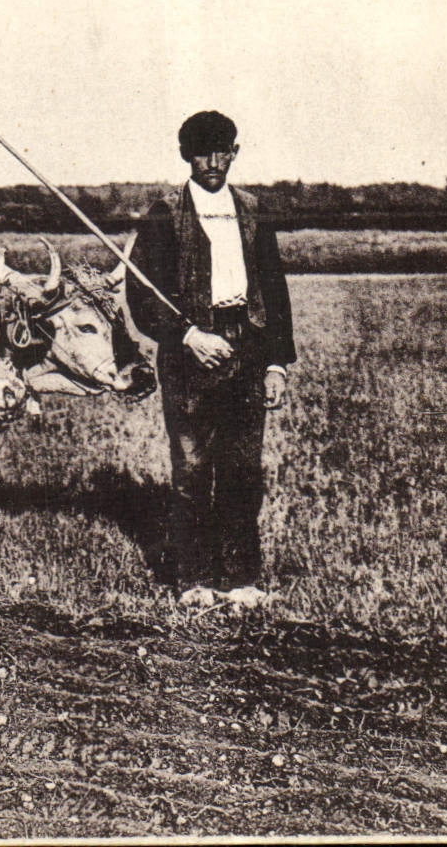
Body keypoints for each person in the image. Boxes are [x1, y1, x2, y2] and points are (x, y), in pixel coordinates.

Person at [127, 110, 295, 607]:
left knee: (243, 470)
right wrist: (186, 335)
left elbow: (274, 289)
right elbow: (143, 296)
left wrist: (276, 363)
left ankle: (242, 580)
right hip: (188, 357)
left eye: (223, 151)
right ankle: (195, 582)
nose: (214, 162)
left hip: (246, 348)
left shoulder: (252, 210)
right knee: (194, 471)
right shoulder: (164, 214)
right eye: (203, 152)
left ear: (235, 153)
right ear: (186, 155)